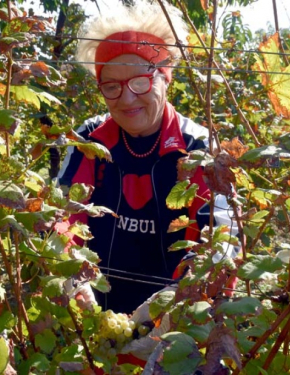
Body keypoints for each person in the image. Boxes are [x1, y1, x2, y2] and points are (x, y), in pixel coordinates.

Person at [58, 0, 234, 313]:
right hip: (92, 320)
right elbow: (62, 218)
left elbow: (221, 243)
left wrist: (173, 310)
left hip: (177, 325)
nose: (126, 98)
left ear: (165, 78)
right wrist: (72, 278)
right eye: (111, 86)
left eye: (140, 81)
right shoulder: (89, 140)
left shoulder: (199, 149)